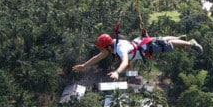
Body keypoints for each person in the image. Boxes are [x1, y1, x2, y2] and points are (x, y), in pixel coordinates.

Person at [72, 34, 203, 80]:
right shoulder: (112, 43)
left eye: (102, 49)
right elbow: (97, 57)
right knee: (161, 39)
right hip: (139, 42)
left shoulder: (119, 48)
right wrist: (84, 65)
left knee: (166, 45)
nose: (102, 51)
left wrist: (117, 72)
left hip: (145, 48)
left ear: (108, 47)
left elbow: (124, 61)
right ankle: (178, 38)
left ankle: (190, 43)